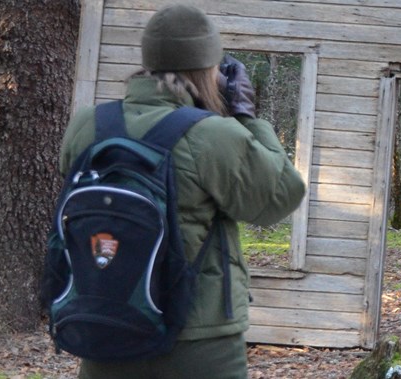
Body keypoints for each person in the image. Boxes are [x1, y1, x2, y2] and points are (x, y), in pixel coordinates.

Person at [57, 4, 305, 378]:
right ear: (208, 68)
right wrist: (245, 116)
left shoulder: (88, 124)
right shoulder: (213, 134)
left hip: (105, 326)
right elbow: (280, 196)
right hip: (198, 340)